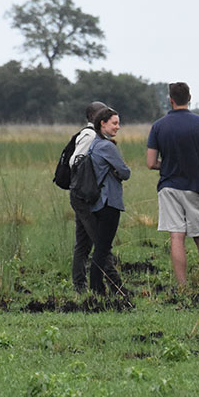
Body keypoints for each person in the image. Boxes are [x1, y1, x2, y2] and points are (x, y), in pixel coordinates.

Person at [146, 82, 199, 292]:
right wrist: (198, 158)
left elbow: (151, 163)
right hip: (195, 186)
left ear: (170, 99)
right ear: (189, 98)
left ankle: (182, 287)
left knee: (176, 236)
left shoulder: (158, 126)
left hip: (169, 186)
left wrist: (167, 163)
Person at [69, 101, 122, 293]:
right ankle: (115, 285)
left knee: (83, 243)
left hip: (83, 195)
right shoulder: (90, 135)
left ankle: (80, 286)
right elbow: (75, 162)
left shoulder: (98, 137)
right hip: (84, 196)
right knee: (101, 243)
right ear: (95, 118)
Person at [87, 107, 132, 295]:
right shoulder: (107, 146)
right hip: (109, 202)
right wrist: (117, 172)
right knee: (103, 249)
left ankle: (97, 286)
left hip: (97, 203)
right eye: (114, 123)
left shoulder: (94, 144)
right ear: (102, 123)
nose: (118, 127)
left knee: (101, 246)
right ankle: (97, 287)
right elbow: (125, 172)